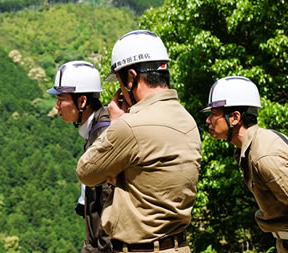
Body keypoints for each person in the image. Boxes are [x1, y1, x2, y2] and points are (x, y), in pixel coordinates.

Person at [76, 30, 202, 253]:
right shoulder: (187, 120)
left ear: (131, 77)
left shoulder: (131, 126)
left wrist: (115, 124)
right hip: (178, 246)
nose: (121, 91)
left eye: (120, 84)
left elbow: (86, 172)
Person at [202, 76, 288, 253]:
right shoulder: (255, 145)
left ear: (235, 117)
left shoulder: (263, 155)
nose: (208, 121)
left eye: (213, 114)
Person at [47, 60, 113, 253]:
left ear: (82, 101)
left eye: (61, 99)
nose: (57, 107)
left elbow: (108, 208)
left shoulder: (103, 138)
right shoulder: (96, 130)